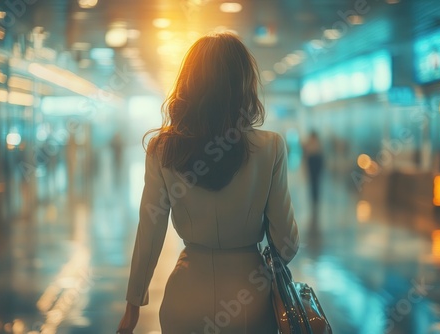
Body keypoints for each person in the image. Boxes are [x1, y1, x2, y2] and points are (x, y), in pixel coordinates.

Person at [117, 32, 299, 334]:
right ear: (244, 85)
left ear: (189, 84)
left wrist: (133, 304)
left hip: (185, 298)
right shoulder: (270, 147)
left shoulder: (163, 149)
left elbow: (149, 232)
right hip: (249, 300)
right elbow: (287, 244)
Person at [303, 131, 324, 217]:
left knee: (315, 181)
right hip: (313, 162)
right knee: (313, 182)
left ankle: (315, 198)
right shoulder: (313, 142)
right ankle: (314, 198)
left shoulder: (315, 143)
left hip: (315, 161)